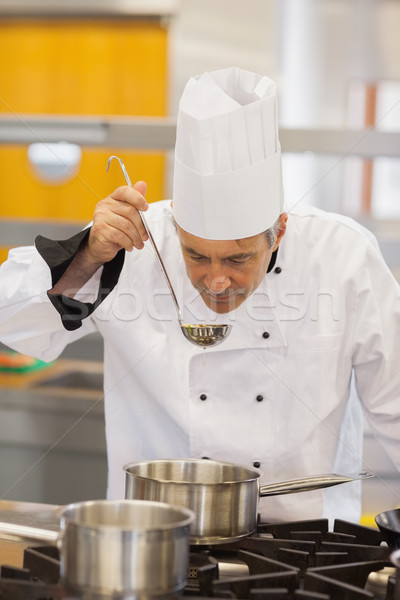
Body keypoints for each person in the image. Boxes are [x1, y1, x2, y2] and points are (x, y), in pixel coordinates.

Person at [0, 67, 399, 524]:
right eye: (195, 255)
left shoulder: (343, 256)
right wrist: (88, 255)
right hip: (152, 538)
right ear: (175, 229)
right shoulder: (130, 243)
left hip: (304, 544)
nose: (215, 281)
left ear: (279, 232)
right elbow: (11, 319)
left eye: (237, 259)